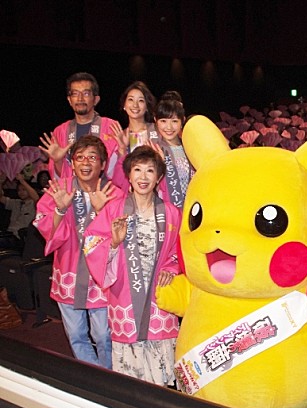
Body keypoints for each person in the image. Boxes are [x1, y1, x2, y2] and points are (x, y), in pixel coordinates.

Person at [83, 145, 181, 386]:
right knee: (130, 367)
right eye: (137, 170)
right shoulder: (114, 210)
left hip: (158, 295)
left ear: (159, 177)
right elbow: (92, 243)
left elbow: (180, 251)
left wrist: (171, 269)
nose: (143, 177)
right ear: (128, 175)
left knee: (160, 362)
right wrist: (114, 243)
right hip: (125, 294)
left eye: (150, 170)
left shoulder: (171, 213)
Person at [33, 135, 121, 369]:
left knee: (104, 335)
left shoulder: (114, 192)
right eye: (80, 157)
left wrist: (101, 212)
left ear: (103, 164)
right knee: (76, 335)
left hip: (100, 277)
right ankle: (93, 376)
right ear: (72, 163)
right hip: (69, 270)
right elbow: (47, 230)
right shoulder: (59, 189)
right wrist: (60, 210)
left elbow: (120, 236)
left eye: (92, 157)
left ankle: (108, 376)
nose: (85, 162)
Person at [112, 93, 193, 209]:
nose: (169, 127)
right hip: (162, 211)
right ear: (155, 120)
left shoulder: (190, 147)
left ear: (182, 121)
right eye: (163, 121)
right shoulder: (151, 148)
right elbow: (122, 180)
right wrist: (122, 151)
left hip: (190, 208)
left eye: (174, 121)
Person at [39, 72, 119, 180]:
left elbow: (118, 168)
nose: (80, 99)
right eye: (75, 94)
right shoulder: (60, 131)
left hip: (103, 188)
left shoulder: (110, 127)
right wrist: (57, 161)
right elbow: (59, 178)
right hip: (72, 189)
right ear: (69, 100)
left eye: (86, 93)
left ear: (96, 100)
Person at [110, 81, 158, 155]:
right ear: (124, 105)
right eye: (131, 99)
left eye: (141, 100)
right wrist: (122, 149)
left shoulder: (157, 130)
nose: (135, 105)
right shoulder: (121, 136)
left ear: (147, 107)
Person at [0, 172, 40, 248]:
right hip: (9, 234)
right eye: (19, 190)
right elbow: (1, 198)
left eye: (24, 190)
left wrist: (22, 181)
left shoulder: (34, 204)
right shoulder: (16, 202)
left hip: (20, 238)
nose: (21, 192)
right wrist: (1, 183)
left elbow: (36, 198)